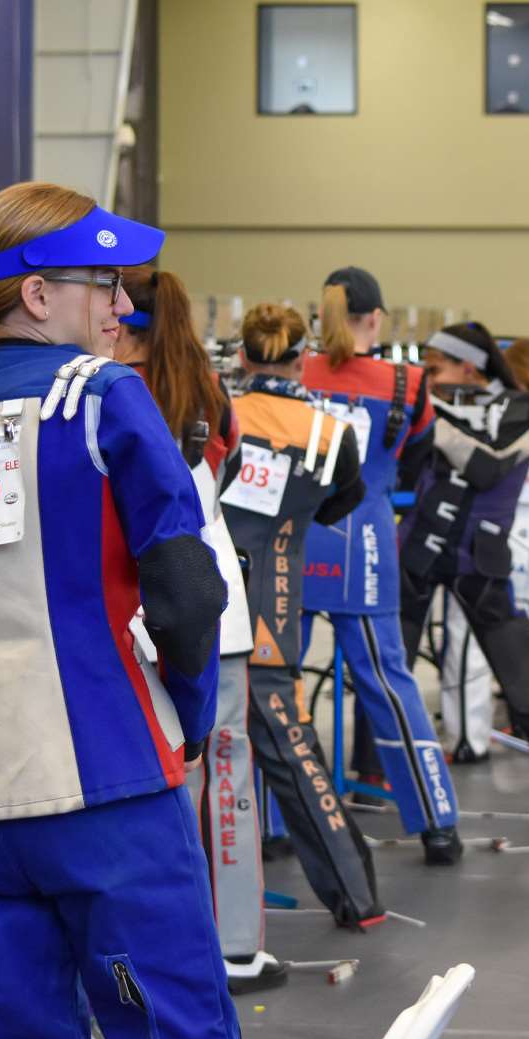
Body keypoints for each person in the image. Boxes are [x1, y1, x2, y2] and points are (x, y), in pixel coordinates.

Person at [0, 181, 240, 1039]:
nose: (122, 303)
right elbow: (187, 595)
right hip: (110, 781)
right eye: (104, 282)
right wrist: (185, 718)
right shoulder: (104, 396)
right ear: (38, 294)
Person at [113, 267, 289, 989]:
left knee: (158, 786)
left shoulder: (107, 392)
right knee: (229, 777)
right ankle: (237, 947)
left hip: (137, 607)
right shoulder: (211, 391)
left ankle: (162, 955)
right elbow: (231, 468)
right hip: (218, 604)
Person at [400, 322, 529, 812]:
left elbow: (488, 464)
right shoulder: (433, 404)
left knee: (527, 677)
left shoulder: (526, 410)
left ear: (469, 368)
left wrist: (431, 416)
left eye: (436, 368)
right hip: (418, 549)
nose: (428, 378)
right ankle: (377, 767)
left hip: (480, 558)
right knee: (389, 669)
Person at [218, 304, 387, 922]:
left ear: (241, 356)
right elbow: (345, 499)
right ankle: (356, 896)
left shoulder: (218, 414)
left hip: (198, 601)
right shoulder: (329, 430)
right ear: (301, 358)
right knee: (292, 750)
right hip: (274, 608)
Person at [298, 267, 461, 860]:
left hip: (289, 543)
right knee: (391, 684)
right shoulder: (408, 382)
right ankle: (436, 824)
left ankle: (272, 823)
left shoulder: (297, 371)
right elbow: (418, 458)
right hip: (362, 545)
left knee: (275, 688)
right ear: (375, 318)